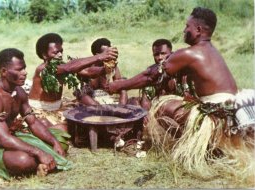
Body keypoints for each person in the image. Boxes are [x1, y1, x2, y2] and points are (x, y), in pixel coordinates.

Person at [106, 7, 253, 178]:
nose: (184, 30)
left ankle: (200, 146)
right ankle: (205, 145)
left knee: (163, 105)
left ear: (198, 30)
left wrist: (119, 85)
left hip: (217, 115)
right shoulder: (211, 50)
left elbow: (150, 75)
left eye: (187, 26)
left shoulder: (191, 53)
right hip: (228, 112)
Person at [0, 48, 72, 181]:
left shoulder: (19, 92)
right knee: (24, 160)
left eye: (24, 68)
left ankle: (43, 162)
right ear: (3, 71)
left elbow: (33, 122)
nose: (25, 73)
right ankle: (39, 163)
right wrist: (39, 151)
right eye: (19, 70)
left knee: (60, 141)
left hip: (11, 135)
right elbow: (3, 139)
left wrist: (54, 143)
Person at [28, 33, 118, 128]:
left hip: (58, 107)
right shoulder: (43, 69)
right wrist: (99, 56)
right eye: (55, 52)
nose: (60, 55)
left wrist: (106, 68)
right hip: (41, 110)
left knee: (86, 118)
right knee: (70, 128)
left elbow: (88, 72)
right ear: (44, 55)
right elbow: (69, 67)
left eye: (61, 51)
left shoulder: (61, 66)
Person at [74, 38, 127, 105]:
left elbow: (119, 86)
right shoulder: (89, 67)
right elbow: (81, 72)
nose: (110, 55)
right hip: (92, 100)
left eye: (110, 53)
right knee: (81, 93)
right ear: (97, 55)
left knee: (123, 87)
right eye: (106, 53)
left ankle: (122, 108)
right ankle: (99, 109)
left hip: (108, 98)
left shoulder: (113, 67)